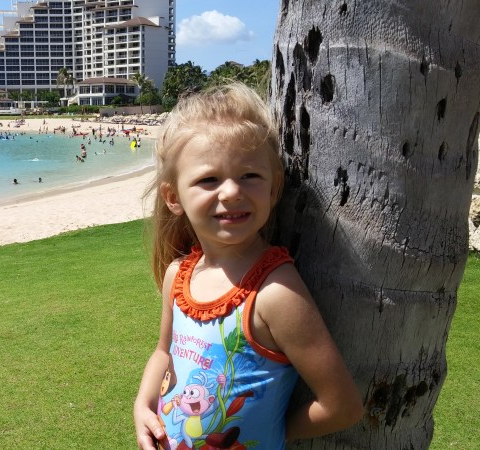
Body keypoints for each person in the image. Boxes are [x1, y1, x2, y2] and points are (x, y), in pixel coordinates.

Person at [133, 82, 362, 450]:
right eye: (209, 179)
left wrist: (272, 431)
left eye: (250, 176)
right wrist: (143, 406)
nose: (232, 192)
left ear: (274, 188)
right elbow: (164, 353)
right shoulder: (179, 276)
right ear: (174, 197)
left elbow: (341, 406)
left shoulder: (274, 293)